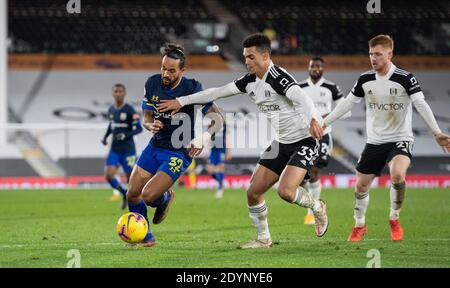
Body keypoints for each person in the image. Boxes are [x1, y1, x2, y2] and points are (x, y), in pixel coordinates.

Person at [157, 33, 329, 249]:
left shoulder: (278, 77)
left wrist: (314, 118)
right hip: (280, 142)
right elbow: (217, 92)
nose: (246, 61)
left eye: (250, 57)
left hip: (304, 140)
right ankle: (264, 239)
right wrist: (181, 101)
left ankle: (317, 206)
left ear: (265, 56)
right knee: (253, 192)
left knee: (285, 191)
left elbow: (303, 98)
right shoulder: (249, 81)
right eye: (245, 57)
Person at [322, 34, 450, 242]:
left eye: (378, 54)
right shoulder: (365, 79)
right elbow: (347, 104)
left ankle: (394, 217)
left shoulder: (405, 78)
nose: (373, 58)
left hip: (400, 138)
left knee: (398, 175)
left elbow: (421, 105)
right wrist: (324, 122)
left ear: (390, 54)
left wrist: (436, 133)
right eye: (371, 54)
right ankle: (360, 224)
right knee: (361, 186)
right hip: (374, 141)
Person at [126, 43, 224, 247]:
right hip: (155, 146)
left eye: (171, 71)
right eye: (163, 68)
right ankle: (145, 237)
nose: (165, 74)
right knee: (132, 193)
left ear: (182, 71)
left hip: (179, 151)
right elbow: (146, 117)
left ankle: (164, 199)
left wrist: (203, 138)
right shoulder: (152, 83)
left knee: (150, 196)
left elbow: (219, 119)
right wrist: (149, 124)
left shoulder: (192, 88)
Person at [298, 56, 350, 224]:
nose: (315, 69)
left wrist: (324, 118)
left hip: (323, 135)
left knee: (314, 171)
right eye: (313, 66)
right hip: (303, 135)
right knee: (301, 177)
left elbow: (346, 110)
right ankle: (313, 203)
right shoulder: (300, 87)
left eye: (318, 66)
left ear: (323, 69)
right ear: (308, 68)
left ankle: (313, 212)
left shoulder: (331, 88)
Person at [102, 84, 142, 210]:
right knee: (109, 175)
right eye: (116, 91)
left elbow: (139, 128)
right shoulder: (111, 110)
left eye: (120, 91)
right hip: (114, 149)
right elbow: (111, 125)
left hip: (128, 150)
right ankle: (124, 194)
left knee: (131, 180)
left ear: (124, 94)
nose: (118, 93)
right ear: (113, 94)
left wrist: (126, 135)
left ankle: (135, 204)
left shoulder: (129, 110)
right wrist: (105, 137)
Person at [206, 120, 232, 198]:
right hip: (213, 152)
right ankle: (221, 182)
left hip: (221, 151)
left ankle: (220, 188)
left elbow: (227, 139)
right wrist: (205, 151)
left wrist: (229, 152)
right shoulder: (210, 128)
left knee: (220, 169)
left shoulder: (223, 128)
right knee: (210, 171)